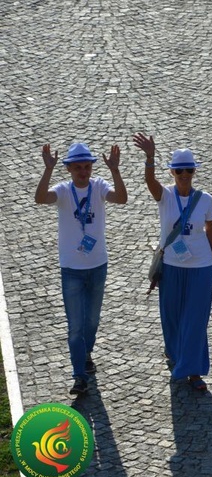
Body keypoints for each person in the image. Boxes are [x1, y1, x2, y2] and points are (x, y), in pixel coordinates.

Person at [34, 142, 128, 395]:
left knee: (92, 320)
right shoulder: (63, 191)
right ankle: (79, 375)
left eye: (87, 167)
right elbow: (40, 198)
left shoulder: (98, 187)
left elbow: (121, 198)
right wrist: (47, 171)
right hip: (72, 268)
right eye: (78, 168)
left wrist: (116, 171)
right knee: (75, 324)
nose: (83, 172)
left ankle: (86, 354)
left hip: (98, 265)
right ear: (69, 169)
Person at [133, 133, 212, 391]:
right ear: (172, 172)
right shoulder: (165, 197)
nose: (184, 174)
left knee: (195, 320)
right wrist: (150, 157)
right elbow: (150, 181)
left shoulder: (205, 200)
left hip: (200, 268)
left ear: (194, 171)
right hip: (172, 267)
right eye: (178, 170)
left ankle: (194, 371)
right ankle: (176, 356)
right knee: (171, 318)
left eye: (188, 170)